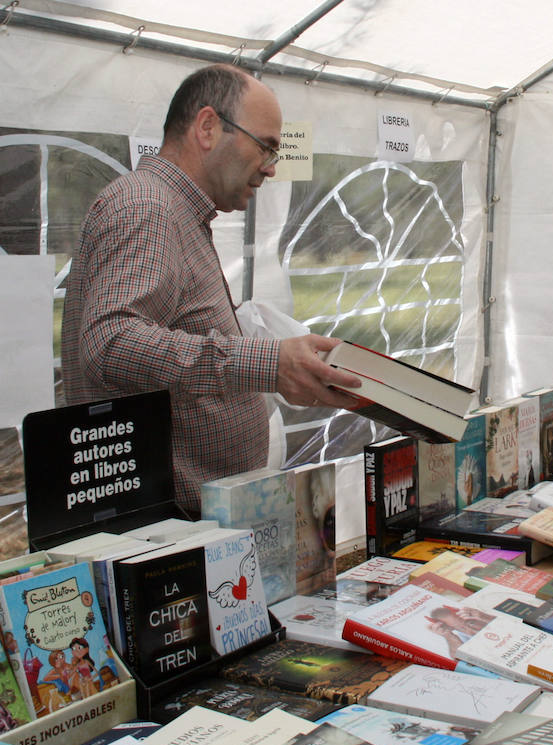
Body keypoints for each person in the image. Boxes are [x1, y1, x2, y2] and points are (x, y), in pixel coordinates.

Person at [61, 64, 360, 513]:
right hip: (169, 523)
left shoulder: (177, 211)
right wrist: (264, 362)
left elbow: (174, 328)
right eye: (266, 146)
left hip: (201, 516)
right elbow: (111, 343)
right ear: (207, 127)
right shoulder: (147, 207)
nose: (272, 168)